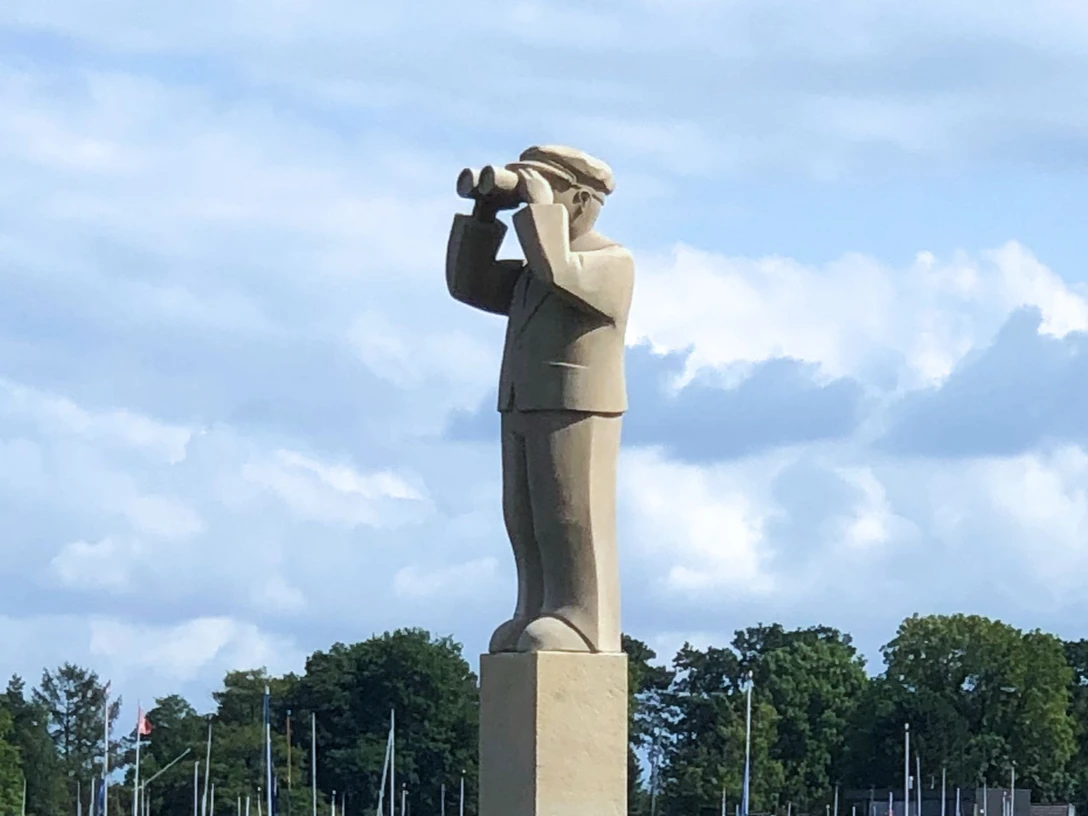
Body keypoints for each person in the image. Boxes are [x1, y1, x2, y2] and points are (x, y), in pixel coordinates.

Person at [445, 145, 634, 653]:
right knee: (525, 514)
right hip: (523, 399)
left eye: (550, 187)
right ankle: (535, 606)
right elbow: (469, 285)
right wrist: (485, 213)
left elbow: (560, 273)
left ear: (580, 199)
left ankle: (584, 620)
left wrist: (539, 206)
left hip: (578, 405)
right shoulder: (535, 269)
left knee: (572, 515)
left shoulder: (611, 262)